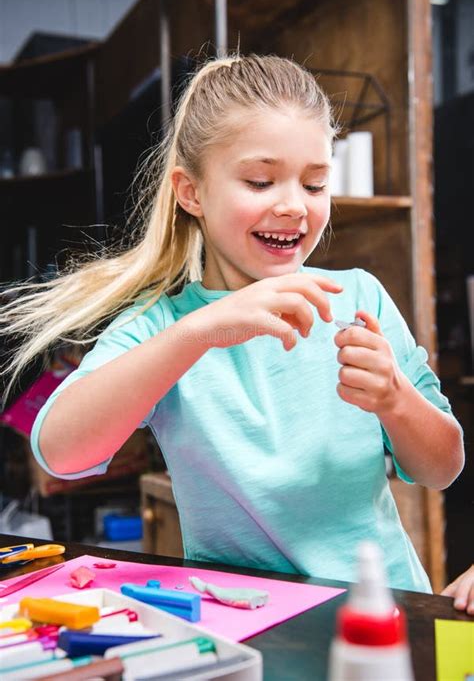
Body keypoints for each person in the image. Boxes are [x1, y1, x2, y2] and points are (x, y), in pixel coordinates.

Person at [0, 54, 464, 593]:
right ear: (191, 192)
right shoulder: (162, 325)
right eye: (261, 181)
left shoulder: (359, 296)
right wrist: (200, 331)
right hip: (251, 623)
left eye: (314, 185)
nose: (294, 206)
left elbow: (442, 468)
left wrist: (396, 399)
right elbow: (61, 452)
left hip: (381, 614)